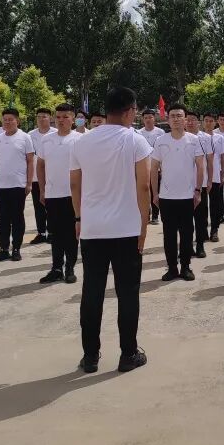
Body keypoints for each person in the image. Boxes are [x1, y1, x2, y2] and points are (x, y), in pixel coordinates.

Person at [70, 86, 151, 374]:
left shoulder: (82, 142)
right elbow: (144, 185)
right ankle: (128, 354)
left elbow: (75, 184)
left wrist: (79, 217)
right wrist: (144, 224)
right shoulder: (135, 140)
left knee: (92, 291)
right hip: (126, 228)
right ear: (130, 111)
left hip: (93, 228)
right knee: (127, 293)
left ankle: (90, 355)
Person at [151, 104, 205, 281]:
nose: (176, 119)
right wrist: (155, 193)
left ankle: (186, 267)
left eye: (179, 116)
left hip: (188, 196)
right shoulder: (161, 141)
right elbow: (154, 168)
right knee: (169, 235)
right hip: (167, 197)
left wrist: (198, 190)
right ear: (167, 119)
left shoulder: (193, 140)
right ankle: (172, 268)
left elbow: (200, 166)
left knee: (187, 233)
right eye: (172, 116)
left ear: (185, 119)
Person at [36, 103, 81, 284]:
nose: (61, 120)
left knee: (71, 233)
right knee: (55, 233)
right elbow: (40, 165)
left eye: (65, 117)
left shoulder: (80, 139)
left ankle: (70, 267)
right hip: (52, 194)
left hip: (73, 194)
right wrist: (42, 189)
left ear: (73, 119)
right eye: (58, 117)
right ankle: (56, 268)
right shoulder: (47, 139)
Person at [0, 108, 35, 263]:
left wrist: (29, 183)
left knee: (17, 217)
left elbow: (30, 161)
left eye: (11, 119)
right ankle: (4, 249)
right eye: (5, 119)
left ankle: (16, 248)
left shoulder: (25, 137)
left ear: (17, 121)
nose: (7, 122)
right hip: (0, 185)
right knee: (2, 218)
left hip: (18, 184)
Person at [185, 110, 213, 259]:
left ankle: (200, 245)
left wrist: (209, 180)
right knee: (185, 219)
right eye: (187, 119)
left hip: (200, 183)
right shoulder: (180, 137)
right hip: (183, 185)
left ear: (198, 122)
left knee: (200, 217)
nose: (190, 122)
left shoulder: (206, 138)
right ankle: (187, 246)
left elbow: (210, 161)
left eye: (193, 119)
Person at [27, 107, 54, 244]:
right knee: (38, 206)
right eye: (39, 117)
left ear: (50, 118)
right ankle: (41, 233)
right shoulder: (30, 135)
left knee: (52, 206)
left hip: (52, 176)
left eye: (44, 116)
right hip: (36, 177)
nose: (41, 119)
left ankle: (52, 232)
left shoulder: (55, 133)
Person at [137, 108, 164, 225]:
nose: (148, 120)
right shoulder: (138, 133)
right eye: (146, 118)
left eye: (150, 117)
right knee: (143, 190)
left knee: (155, 191)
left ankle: (155, 215)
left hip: (156, 166)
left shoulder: (160, 132)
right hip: (142, 166)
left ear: (154, 119)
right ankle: (145, 213)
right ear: (143, 119)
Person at [203, 113, 224, 242]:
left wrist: (222, 175)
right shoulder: (198, 137)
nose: (208, 123)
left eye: (211, 121)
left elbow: (222, 157)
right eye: (206, 120)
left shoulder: (219, 138)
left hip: (215, 175)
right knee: (202, 206)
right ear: (203, 122)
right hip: (202, 176)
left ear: (214, 123)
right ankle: (203, 230)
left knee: (215, 205)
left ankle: (214, 230)